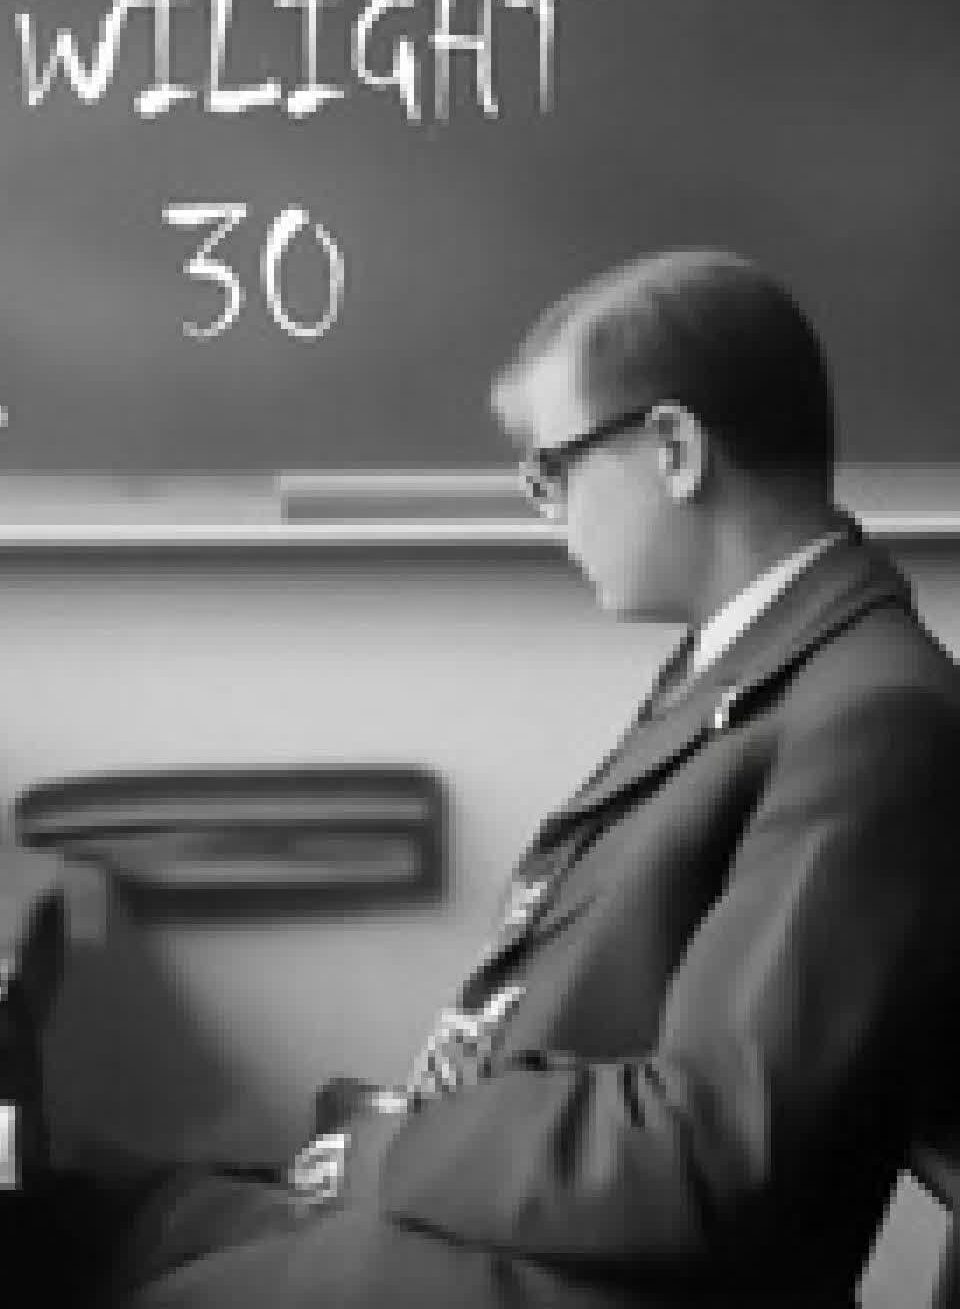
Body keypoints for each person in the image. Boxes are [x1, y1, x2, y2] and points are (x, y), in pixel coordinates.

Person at [52, 249, 960, 1309]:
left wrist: (403, 1149)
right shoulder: (751, 660)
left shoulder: (869, 718)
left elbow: (711, 1146)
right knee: (79, 1209)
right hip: (516, 1212)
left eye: (550, 470)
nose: (546, 512)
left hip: (581, 1268)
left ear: (673, 450)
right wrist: (404, 1137)